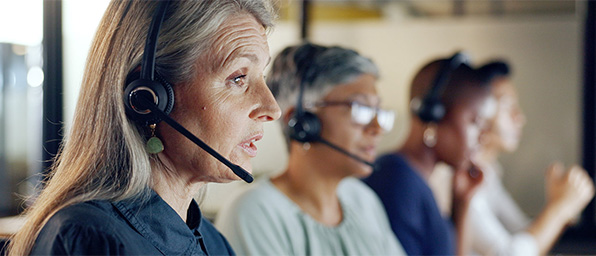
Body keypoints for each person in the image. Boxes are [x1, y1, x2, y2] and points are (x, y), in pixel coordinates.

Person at [8, 0, 281, 255]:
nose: (272, 109)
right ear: (147, 98)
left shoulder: (214, 242)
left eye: (262, 77)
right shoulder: (88, 238)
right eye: (238, 78)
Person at [215, 42, 406, 255]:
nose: (377, 128)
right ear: (301, 122)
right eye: (360, 109)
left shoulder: (363, 201)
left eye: (377, 111)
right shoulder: (255, 211)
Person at [363, 53, 491, 255]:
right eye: (475, 122)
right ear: (434, 114)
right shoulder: (397, 183)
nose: (483, 137)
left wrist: (462, 203)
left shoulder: (414, 179)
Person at [469, 61, 595, 256]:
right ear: (478, 112)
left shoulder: (489, 172)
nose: (520, 117)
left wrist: (562, 207)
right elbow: (511, 254)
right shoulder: (461, 178)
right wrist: (559, 208)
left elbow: (524, 234)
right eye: (507, 106)